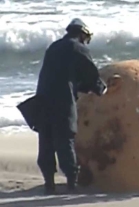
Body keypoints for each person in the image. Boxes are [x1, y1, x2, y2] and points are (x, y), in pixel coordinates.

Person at [34, 18, 106, 194]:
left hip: (42, 99)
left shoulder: (54, 47)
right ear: (82, 34)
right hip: (62, 101)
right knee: (65, 139)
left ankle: (49, 184)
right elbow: (91, 76)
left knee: (46, 141)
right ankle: (72, 183)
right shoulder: (79, 48)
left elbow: (66, 76)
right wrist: (102, 89)